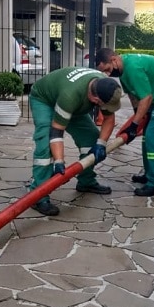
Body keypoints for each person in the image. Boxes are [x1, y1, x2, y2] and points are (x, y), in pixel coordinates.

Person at [95, 48, 154, 197]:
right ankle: (150, 174)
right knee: (147, 136)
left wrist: (134, 125)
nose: (108, 74)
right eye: (104, 72)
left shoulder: (133, 68)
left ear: (114, 59)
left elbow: (146, 98)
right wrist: (137, 121)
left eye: (107, 69)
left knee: (153, 137)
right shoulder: (123, 70)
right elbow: (134, 97)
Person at [28, 67, 122, 216]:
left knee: (91, 138)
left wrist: (101, 144)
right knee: (45, 145)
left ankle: (86, 181)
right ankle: (38, 196)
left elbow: (109, 119)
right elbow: (57, 132)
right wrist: (59, 161)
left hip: (74, 104)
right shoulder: (70, 96)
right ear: (95, 100)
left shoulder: (105, 86)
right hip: (44, 100)